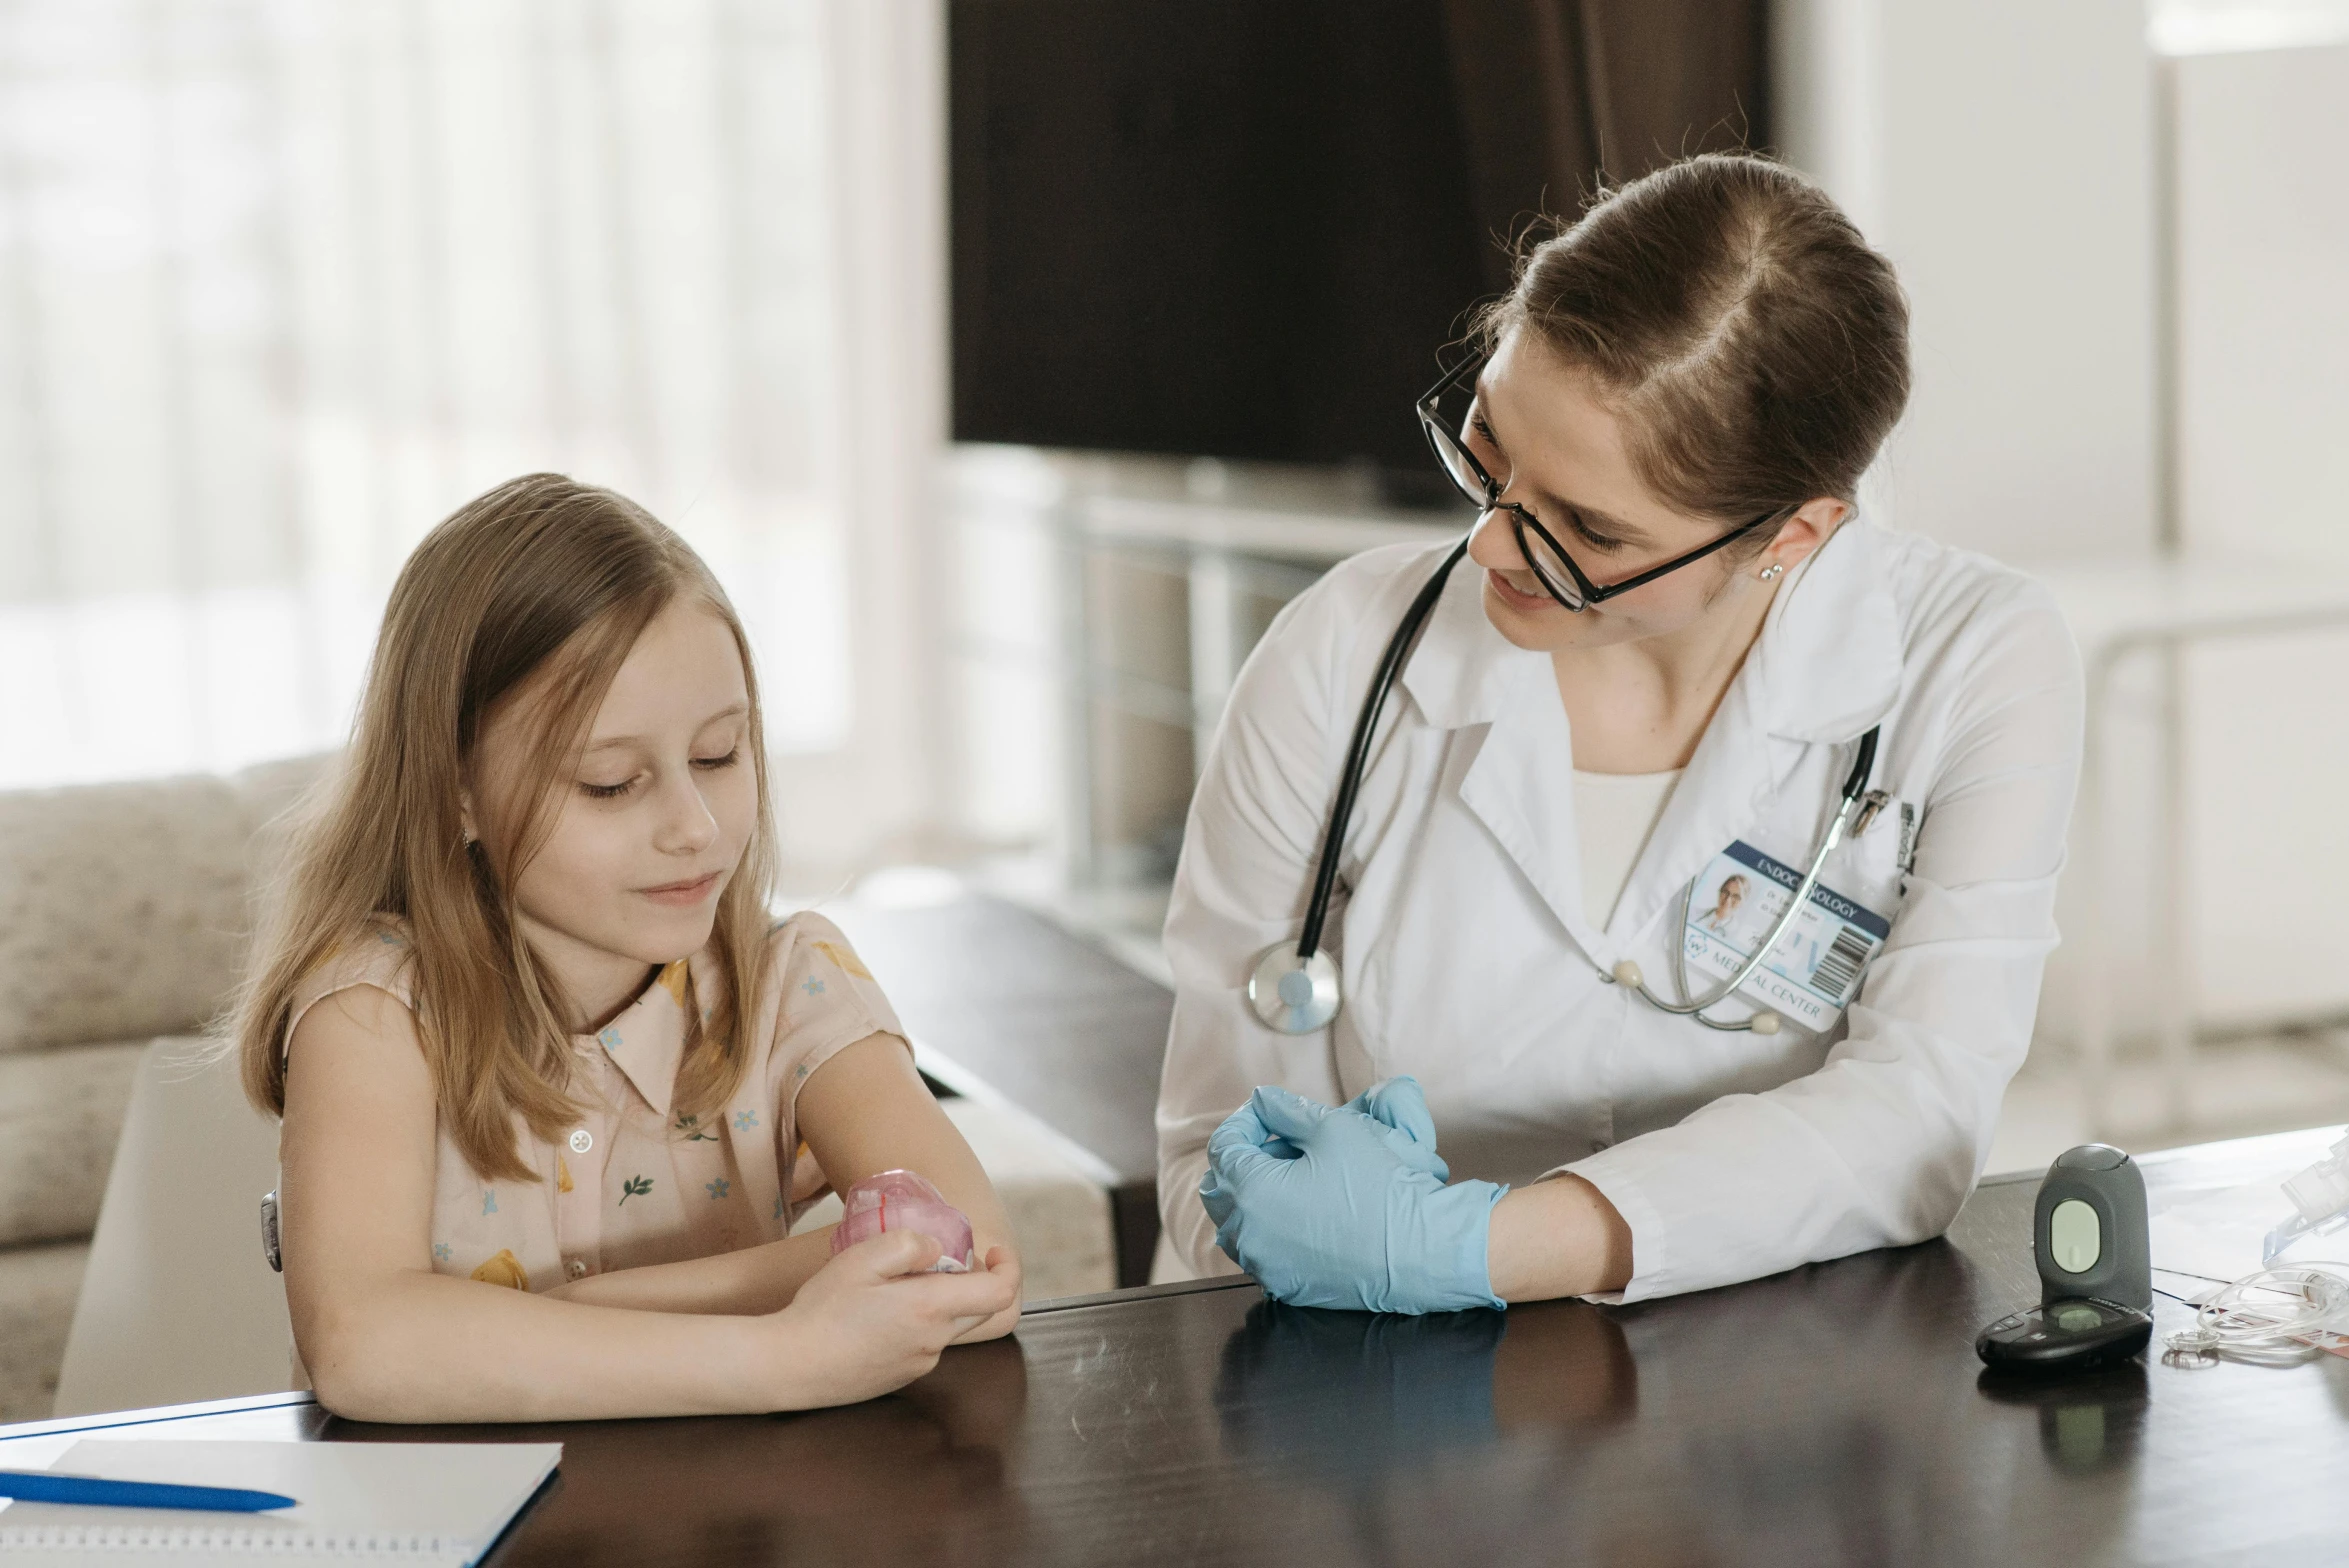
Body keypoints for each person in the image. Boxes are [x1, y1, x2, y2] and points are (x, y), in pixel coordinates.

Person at [1155, 154, 2082, 1312]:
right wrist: (1301, 1231)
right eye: (1487, 450)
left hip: (1777, 1391)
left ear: (1795, 534)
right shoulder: (1344, 650)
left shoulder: (1976, 656)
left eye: (1588, 527)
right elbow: (1216, 1151)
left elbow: (1919, 1113)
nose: (1492, 547)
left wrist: (1466, 1246)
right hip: (1364, 1384)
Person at [232, 475, 1020, 1422]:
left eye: (721, 755)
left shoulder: (792, 980)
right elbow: (363, 1347)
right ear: (456, 792)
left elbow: (969, 1257)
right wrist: (782, 1353)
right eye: (611, 783)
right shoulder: (374, 1011)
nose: (693, 827)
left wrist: (583, 1311)